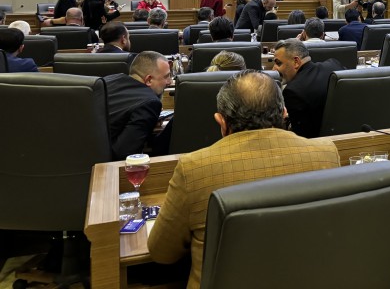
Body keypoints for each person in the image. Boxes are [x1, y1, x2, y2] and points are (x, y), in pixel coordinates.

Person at [148, 70, 340, 289]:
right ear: (284, 113)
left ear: (221, 121)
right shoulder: (326, 153)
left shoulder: (193, 167)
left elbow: (162, 253)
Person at [103, 51, 171, 160]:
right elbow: (125, 154)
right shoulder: (150, 103)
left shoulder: (110, 79)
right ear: (149, 80)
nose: (169, 82)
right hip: (101, 165)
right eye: (166, 77)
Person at [273, 39, 344, 138]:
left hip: (318, 142)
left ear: (296, 62)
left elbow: (300, 136)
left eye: (278, 63)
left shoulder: (293, 91)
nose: (274, 69)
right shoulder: (334, 64)